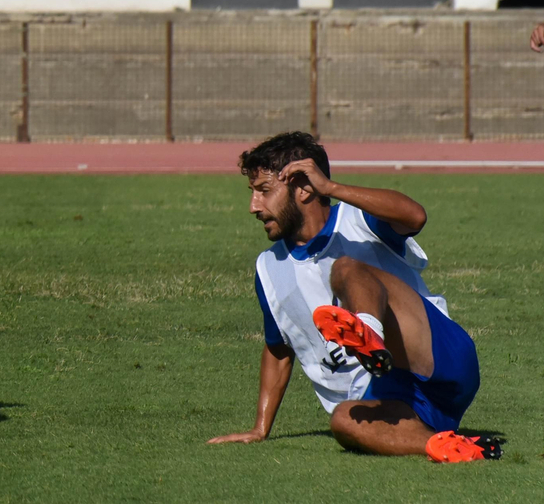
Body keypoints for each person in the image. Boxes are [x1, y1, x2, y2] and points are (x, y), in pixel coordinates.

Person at [209, 131, 502, 463]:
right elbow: (278, 350)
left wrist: (332, 188)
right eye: (252, 193)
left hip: (436, 357)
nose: (253, 206)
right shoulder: (268, 268)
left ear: (304, 188)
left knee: (346, 269)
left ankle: (369, 335)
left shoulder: (358, 219)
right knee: (344, 421)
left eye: (264, 191)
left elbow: (415, 216)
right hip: (391, 399)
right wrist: (260, 428)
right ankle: (448, 446)